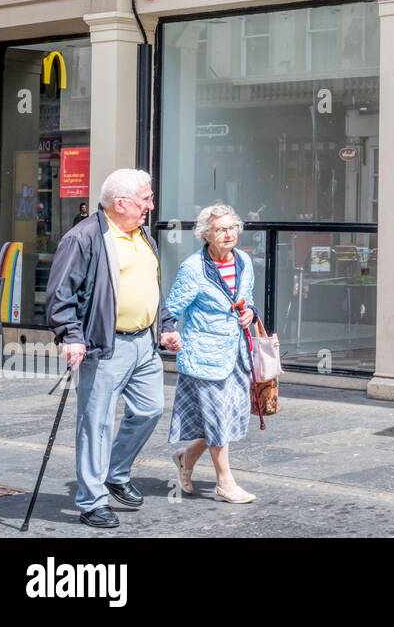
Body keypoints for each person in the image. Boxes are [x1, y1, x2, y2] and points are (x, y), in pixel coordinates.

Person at [47, 168, 180, 529]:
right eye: (145, 200)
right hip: (104, 345)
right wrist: (71, 335)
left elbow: (153, 287)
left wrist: (165, 326)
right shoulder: (84, 238)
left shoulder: (142, 236)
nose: (151, 206)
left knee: (151, 409)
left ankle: (114, 471)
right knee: (97, 425)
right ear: (120, 203)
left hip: (144, 345)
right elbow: (60, 295)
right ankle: (92, 501)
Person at [167, 203, 259, 504]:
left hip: (237, 354)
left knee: (226, 416)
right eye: (221, 229)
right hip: (205, 355)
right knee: (218, 418)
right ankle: (224, 483)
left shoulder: (244, 261)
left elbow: (248, 299)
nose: (229, 234)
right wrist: (169, 335)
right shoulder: (193, 269)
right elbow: (171, 309)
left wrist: (250, 312)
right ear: (206, 234)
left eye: (233, 228)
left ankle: (186, 457)